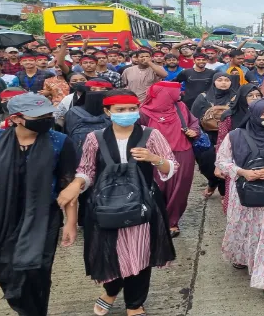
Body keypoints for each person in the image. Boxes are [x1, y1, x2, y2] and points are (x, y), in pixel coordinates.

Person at [57, 89, 177, 316]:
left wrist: (155, 159)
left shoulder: (151, 135)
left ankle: (135, 303)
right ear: (107, 111)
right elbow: (87, 170)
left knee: (140, 254)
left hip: (142, 205)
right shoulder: (96, 138)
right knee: (110, 252)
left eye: (132, 109)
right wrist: (76, 184)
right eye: (120, 110)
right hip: (105, 205)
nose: (127, 113)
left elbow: (170, 169)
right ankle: (111, 290)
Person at [0, 93, 77, 316]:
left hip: (43, 217)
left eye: (47, 114)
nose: (46, 119)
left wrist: (71, 222)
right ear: (16, 118)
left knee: (37, 271)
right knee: (5, 269)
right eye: (38, 116)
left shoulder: (60, 142)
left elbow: (67, 183)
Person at [215, 99, 264, 308]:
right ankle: (242, 256)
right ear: (253, 114)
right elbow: (221, 161)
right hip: (243, 193)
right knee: (244, 229)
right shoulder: (235, 136)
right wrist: (242, 172)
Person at [140, 82, 200, 238]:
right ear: (166, 93)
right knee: (157, 187)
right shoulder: (143, 112)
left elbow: (194, 122)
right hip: (155, 156)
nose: (180, 93)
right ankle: (156, 218)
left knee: (180, 188)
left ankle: (172, 221)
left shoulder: (180, 107)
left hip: (182, 152)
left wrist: (194, 131)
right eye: (176, 91)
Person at [215, 84, 263, 209]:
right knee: (236, 196)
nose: (255, 98)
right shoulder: (229, 116)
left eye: (258, 95)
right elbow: (221, 141)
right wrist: (218, 166)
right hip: (236, 162)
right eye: (250, 95)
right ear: (242, 97)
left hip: (262, 160)